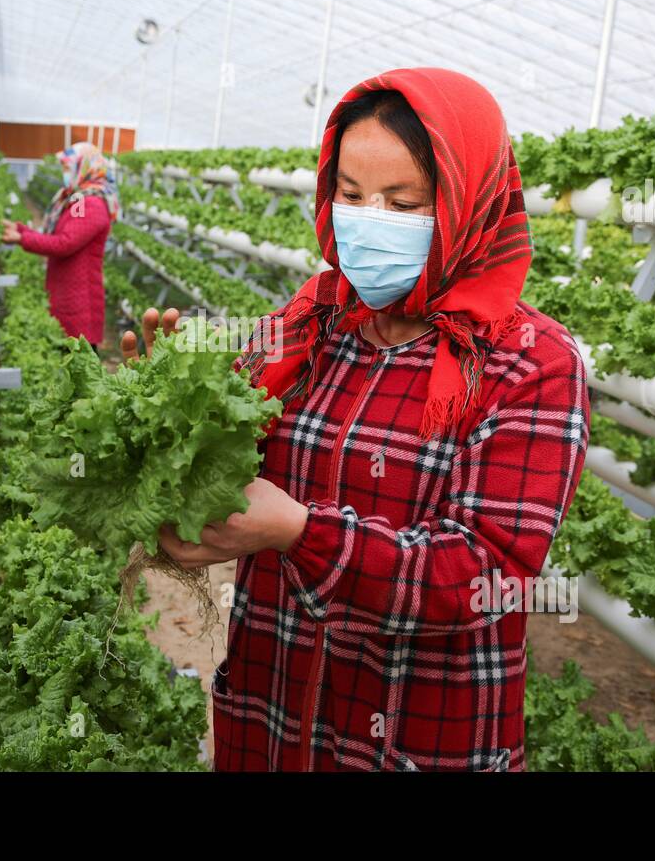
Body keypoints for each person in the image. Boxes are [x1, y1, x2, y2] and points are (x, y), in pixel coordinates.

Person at [121, 68, 589, 772]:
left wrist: (300, 533)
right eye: (350, 195)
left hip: (414, 729)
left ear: (468, 203)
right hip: (272, 705)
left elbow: (482, 571)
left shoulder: (529, 362)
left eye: (402, 205)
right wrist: (171, 420)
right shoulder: (308, 325)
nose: (368, 219)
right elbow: (229, 468)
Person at [3, 141, 117, 349]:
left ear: (84, 166)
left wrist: (22, 238)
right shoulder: (78, 198)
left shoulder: (89, 203)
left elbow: (65, 243)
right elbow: (63, 234)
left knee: (80, 361)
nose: (64, 172)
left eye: (67, 167)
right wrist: (21, 230)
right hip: (67, 290)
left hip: (78, 298)